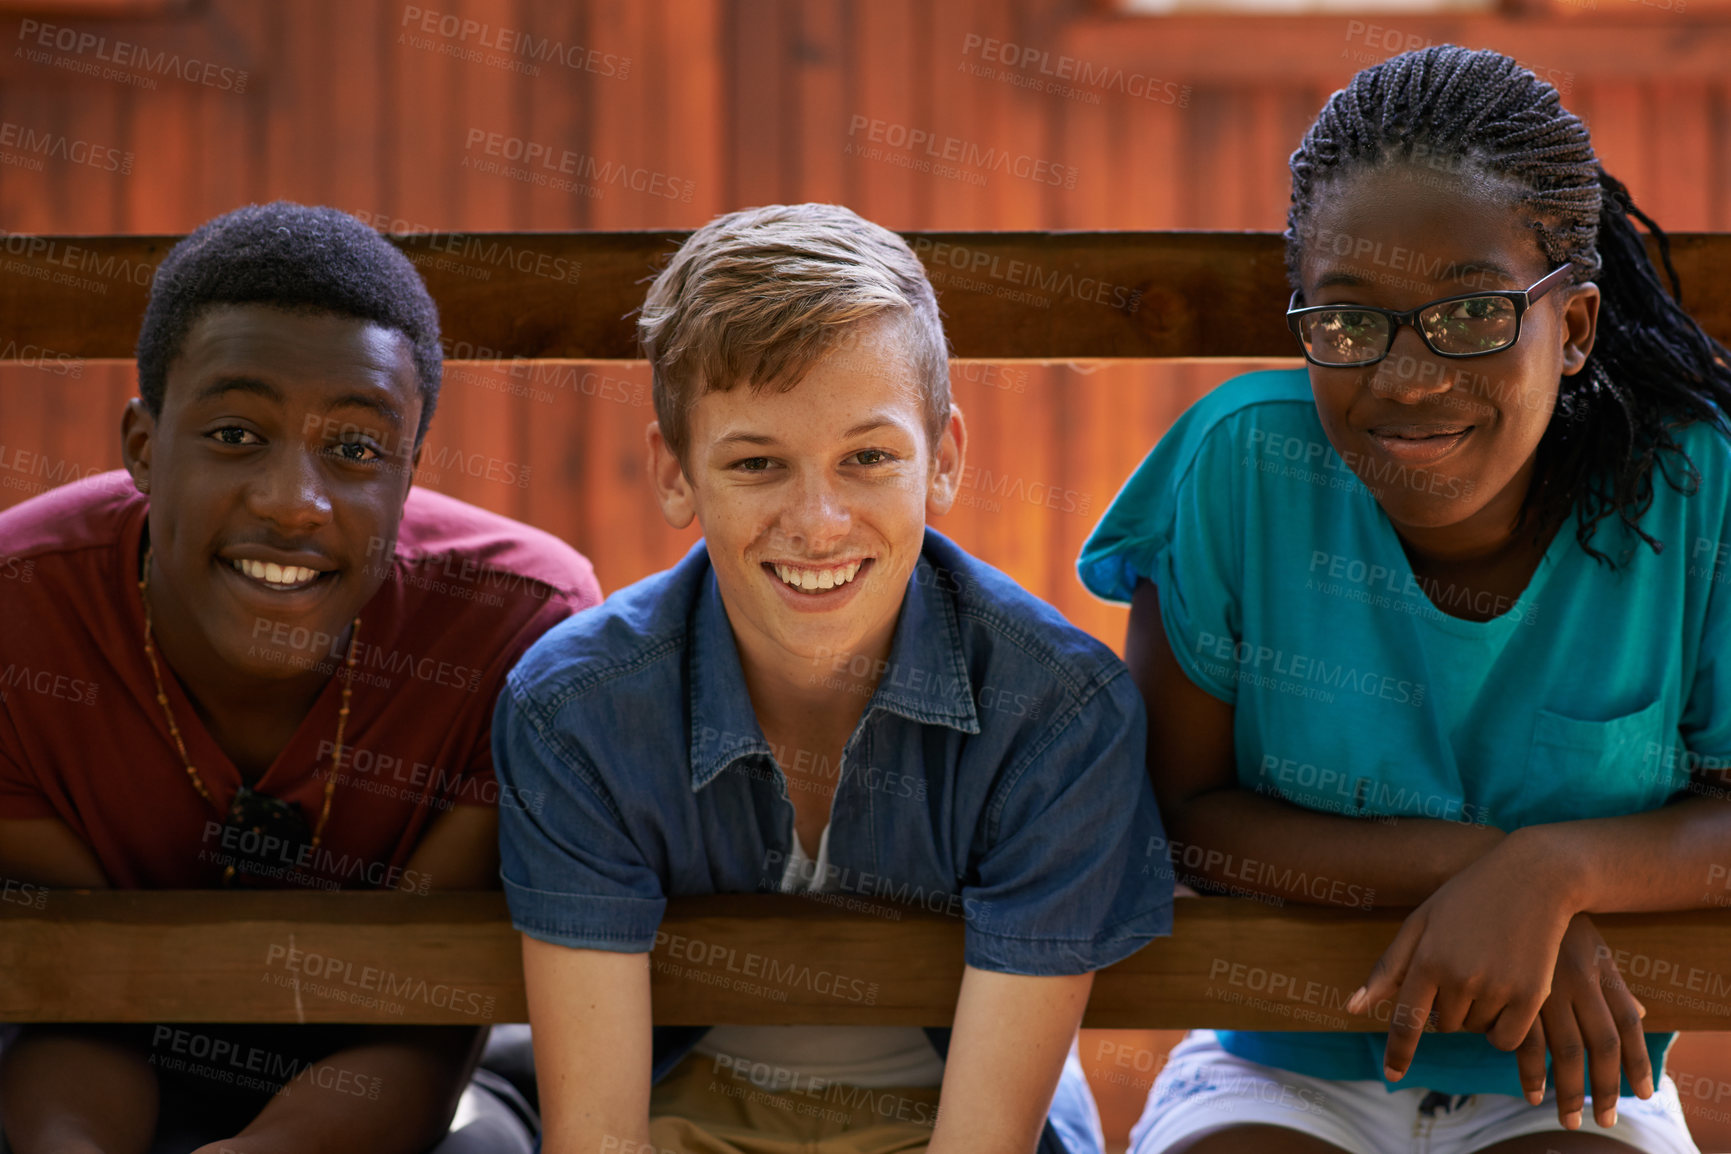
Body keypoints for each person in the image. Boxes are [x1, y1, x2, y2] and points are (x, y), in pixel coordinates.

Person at [1078, 45, 1731, 1154]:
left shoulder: (1694, 486)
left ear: (1570, 329)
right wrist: (1480, 868)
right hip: (1277, 1060)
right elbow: (1185, 817)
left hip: (1574, 1082)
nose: (1408, 375)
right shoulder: (1243, 468)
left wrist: (1556, 871)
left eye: (1473, 312)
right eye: (1348, 322)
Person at [493, 202, 1171, 1154]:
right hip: (678, 1104)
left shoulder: (1057, 714)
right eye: (757, 463)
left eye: (867, 458)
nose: (817, 522)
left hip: (944, 1115)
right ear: (676, 474)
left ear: (943, 461)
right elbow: (598, 1138)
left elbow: (982, 1145)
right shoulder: (577, 710)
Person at [0, 202, 601, 1154]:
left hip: (392, 1092)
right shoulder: (21, 614)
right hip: (80, 1069)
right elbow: (79, 995)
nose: (294, 503)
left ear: (409, 476)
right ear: (144, 449)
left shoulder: (518, 626)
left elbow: (420, 1004)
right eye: (236, 433)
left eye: (357, 450)